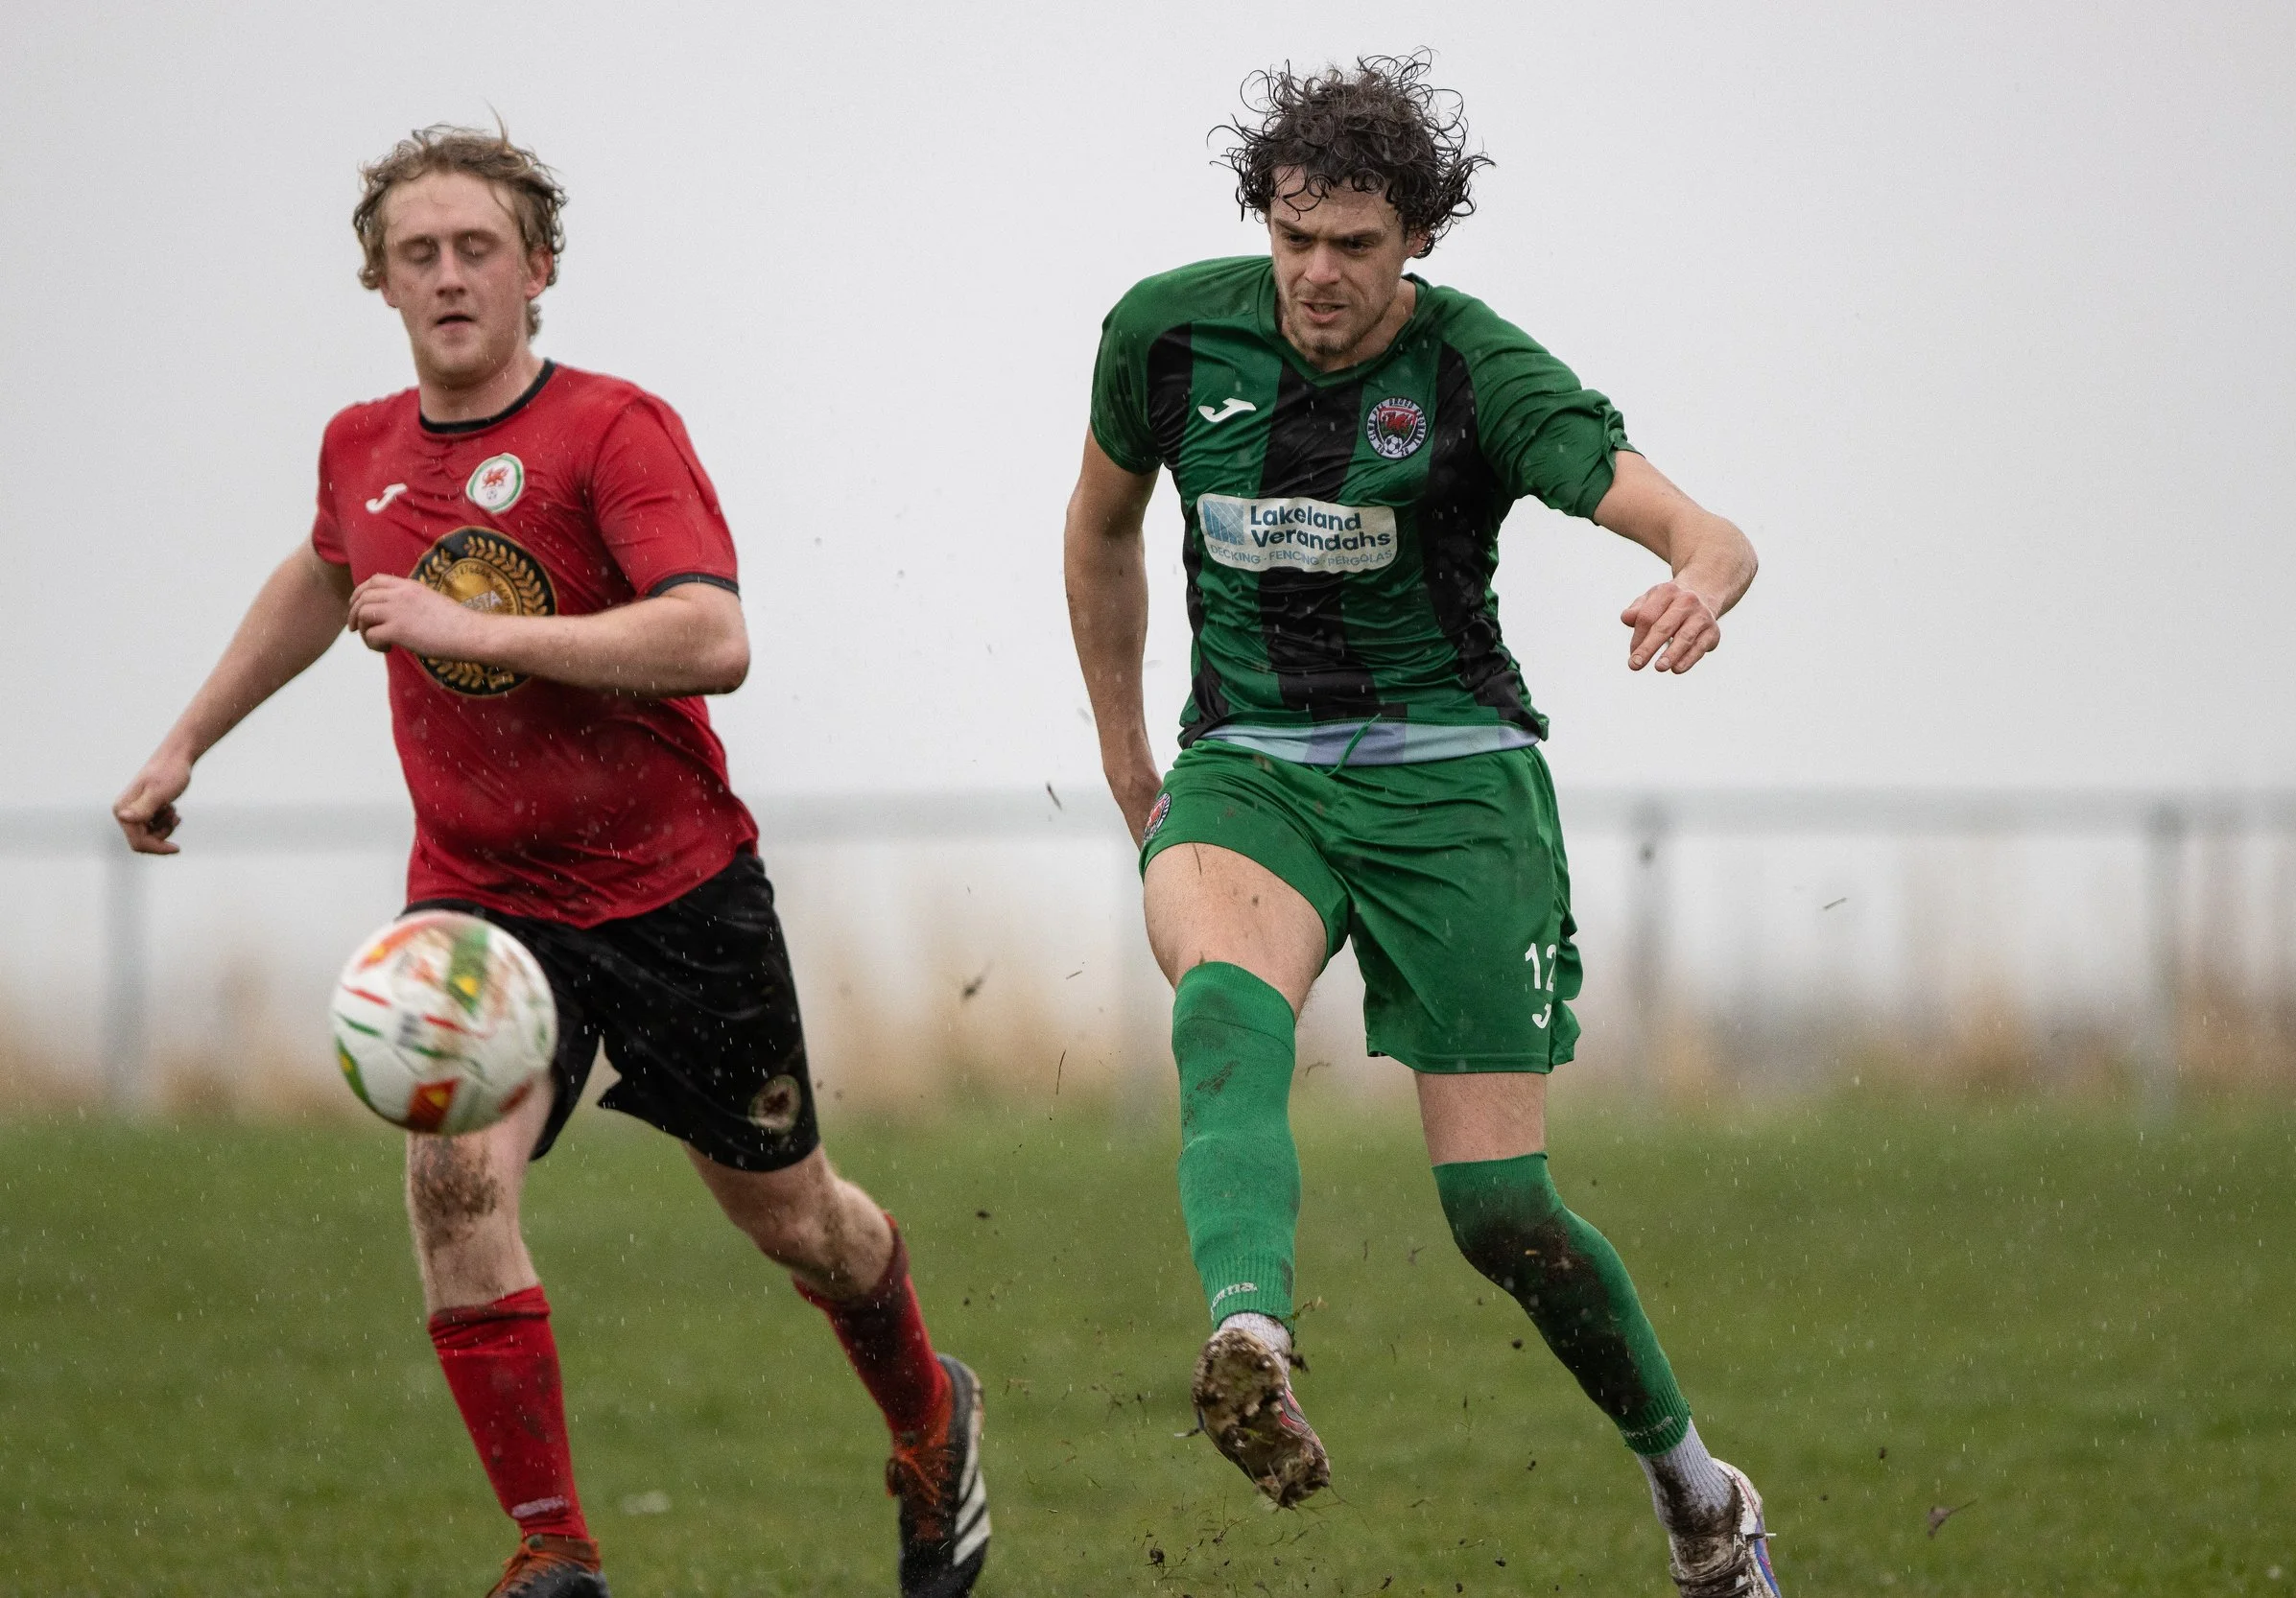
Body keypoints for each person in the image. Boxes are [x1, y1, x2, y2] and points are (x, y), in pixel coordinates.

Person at [111, 126, 989, 1598]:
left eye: (477, 249)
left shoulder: (613, 430)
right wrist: (184, 738)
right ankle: (551, 1550)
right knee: (452, 1178)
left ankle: (931, 1419)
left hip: (678, 896)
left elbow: (714, 635)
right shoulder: (360, 445)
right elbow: (326, 570)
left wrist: (484, 631)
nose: (449, 276)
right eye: (418, 253)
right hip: (479, 907)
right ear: (379, 279)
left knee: (801, 1221)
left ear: (540, 268)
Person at [1063, 57, 1776, 1597]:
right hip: (1251, 762)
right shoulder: (1167, 334)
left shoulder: (1479, 372)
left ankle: (1698, 1490)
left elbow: (1701, 527)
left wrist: (1697, 585)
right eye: (1296, 235)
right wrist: (1127, 749)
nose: (1320, 274)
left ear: (1419, 245)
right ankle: (1250, 1329)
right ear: (1267, 219)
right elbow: (1102, 527)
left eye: (1358, 247)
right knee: (1222, 1009)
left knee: (1499, 1210)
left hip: (1455, 780)